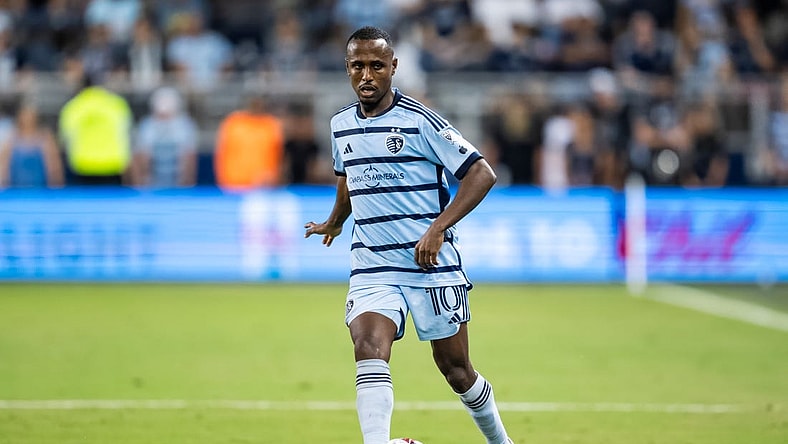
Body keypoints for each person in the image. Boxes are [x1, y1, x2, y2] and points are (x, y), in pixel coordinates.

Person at [303, 26, 514, 444]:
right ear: (347, 69)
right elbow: (348, 181)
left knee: (457, 371)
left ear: (393, 68)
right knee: (367, 347)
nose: (367, 75)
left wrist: (439, 228)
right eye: (358, 66)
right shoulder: (340, 125)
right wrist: (336, 220)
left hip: (429, 266)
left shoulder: (420, 120)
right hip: (372, 264)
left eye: (377, 66)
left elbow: (481, 173)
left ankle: (500, 442)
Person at [131, 86, 199, 188]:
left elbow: (190, 157)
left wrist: (188, 183)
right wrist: (140, 183)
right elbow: (140, 157)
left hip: (177, 183)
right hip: (152, 183)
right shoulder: (147, 125)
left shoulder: (184, 125)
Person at [213, 94, 285, 190]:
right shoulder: (233, 123)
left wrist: (274, 177)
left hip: (263, 185)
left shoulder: (271, 125)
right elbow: (221, 152)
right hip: (234, 184)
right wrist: (222, 179)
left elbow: (279, 156)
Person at [0, 102, 64, 188]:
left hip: (41, 188)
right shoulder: (12, 138)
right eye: (25, 116)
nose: (28, 119)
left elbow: (53, 164)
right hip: (16, 188)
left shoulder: (45, 137)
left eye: (30, 116)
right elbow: (4, 165)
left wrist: (56, 184)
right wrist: (3, 184)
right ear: (20, 117)